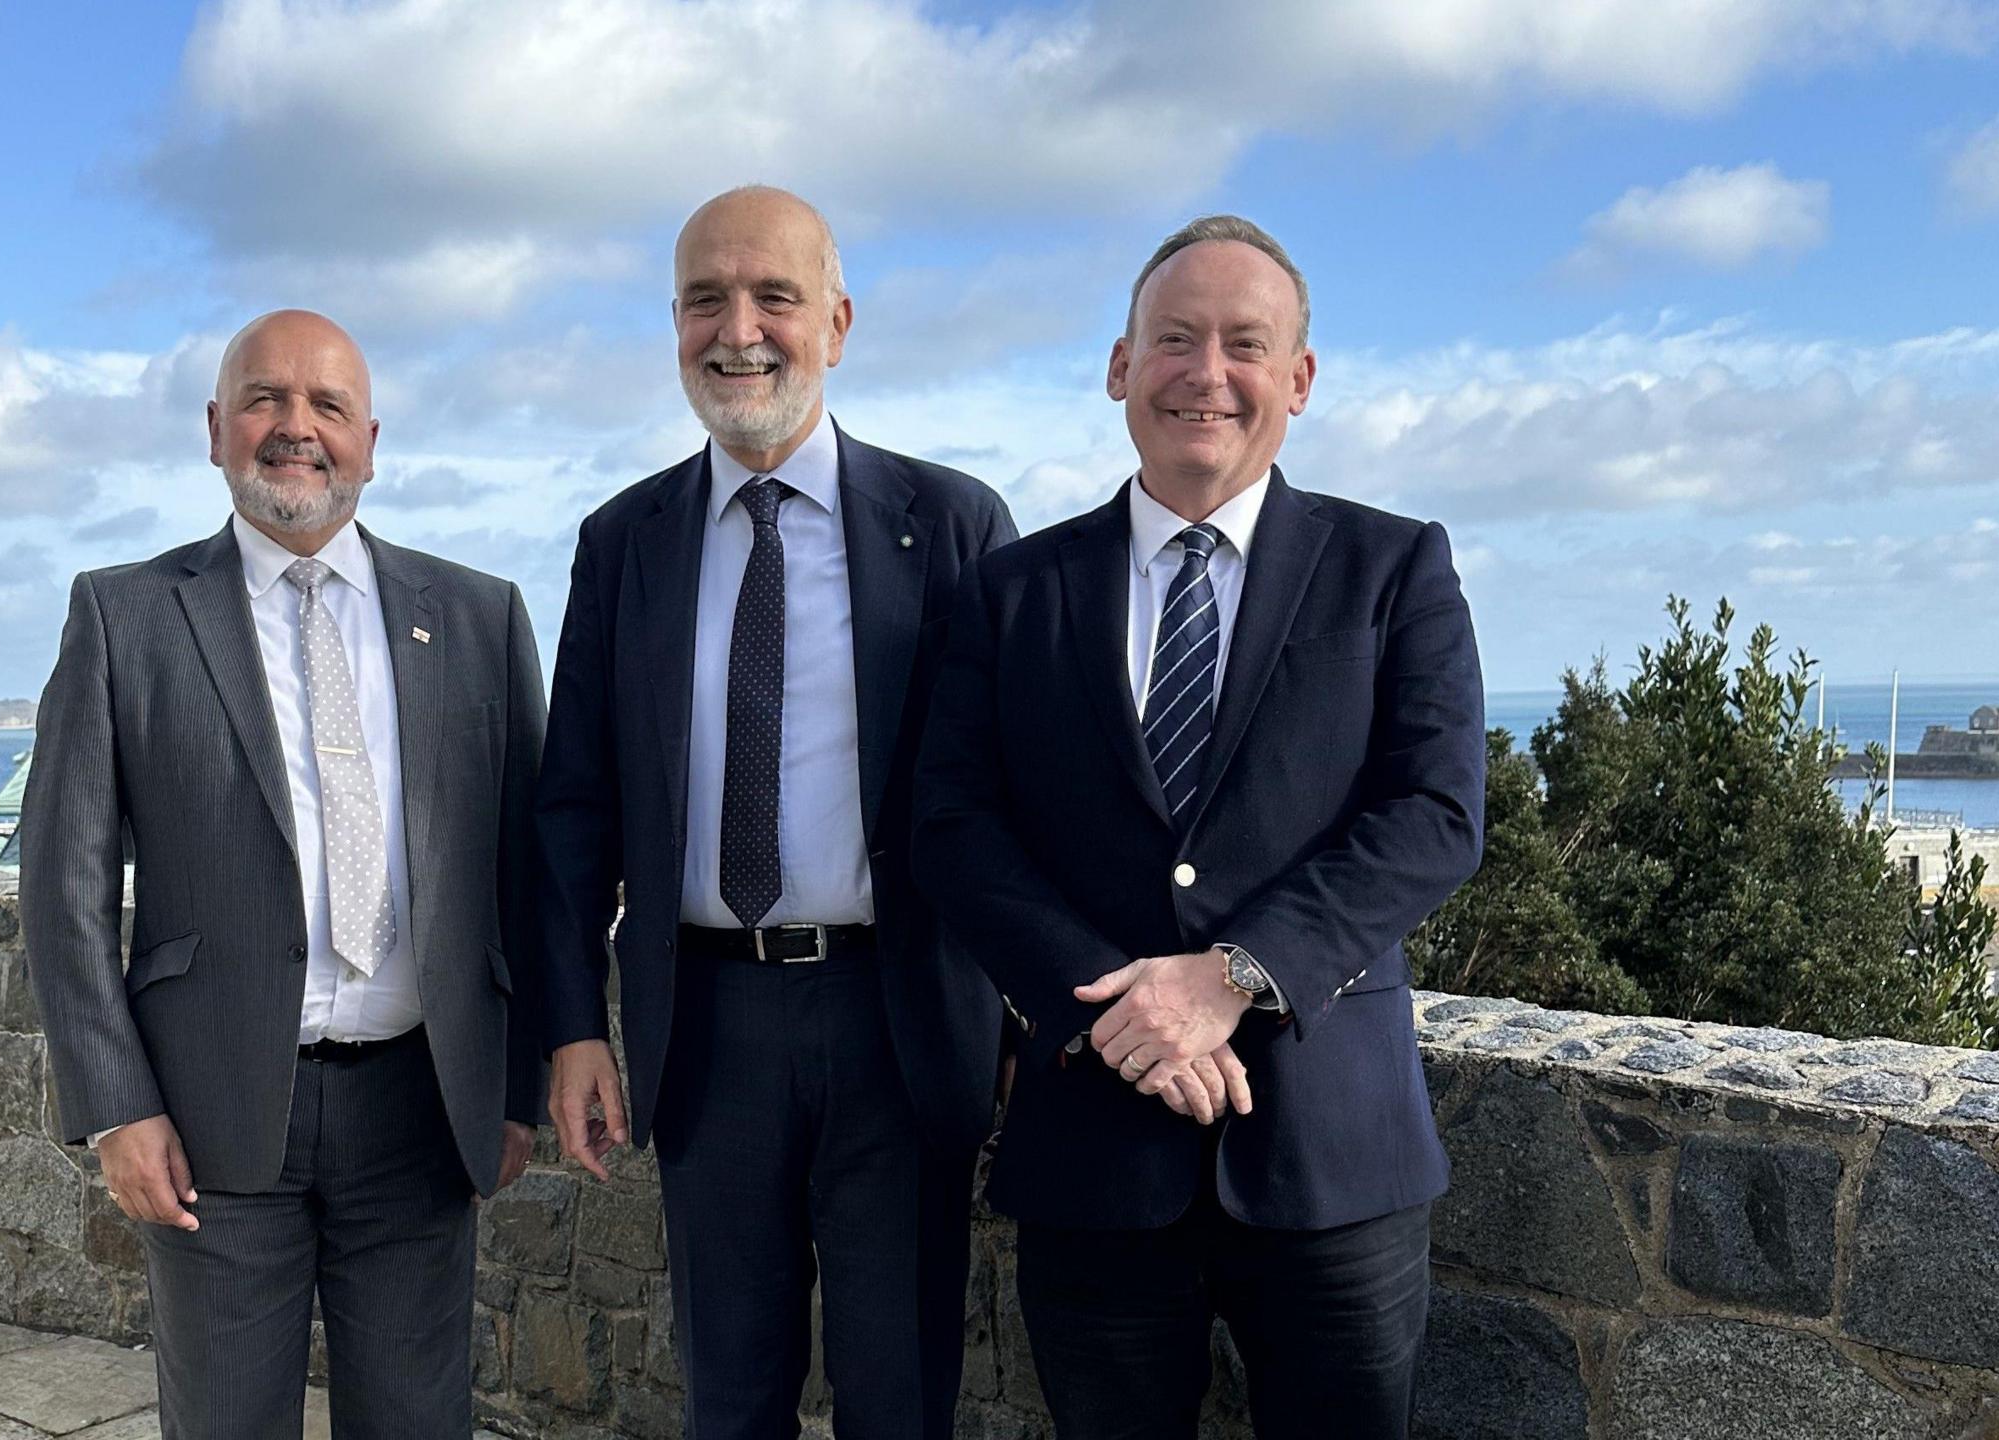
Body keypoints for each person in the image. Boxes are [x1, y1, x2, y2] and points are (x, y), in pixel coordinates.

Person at [911, 216, 1486, 1438]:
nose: (1204, 373)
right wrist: (1119, 1013)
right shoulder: (1012, 593)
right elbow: (953, 827)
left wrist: (1234, 976)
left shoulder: (1392, 569)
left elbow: (1433, 815)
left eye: (1243, 344)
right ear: (1121, 366)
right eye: (1173, 340)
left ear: (1298, 379)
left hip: (1333, 1153)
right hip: (1094, 1155)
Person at [533, 186, 1016, 1438]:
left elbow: (1016, 793)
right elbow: (574, 805)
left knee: (898, 1395)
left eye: (773, 297)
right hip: (706, 1026)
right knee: (727, 1396)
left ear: (838, 323)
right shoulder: (620, 541)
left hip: (897, 1021)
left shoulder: (952, 526)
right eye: (704, 298)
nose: (736, 329)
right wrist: (576, 1025)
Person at [20, 309, 544, 1439]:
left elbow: (525, 873)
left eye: (327, 406)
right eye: (264, 399)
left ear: (370, 439)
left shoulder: (477, 616)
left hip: (421, 1108)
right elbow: (59, 891)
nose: (293, 428)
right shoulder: (124, 616)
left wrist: (515, 1083)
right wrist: (116, 1108)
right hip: (211, 1118)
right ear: (215, 429)